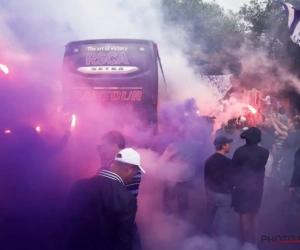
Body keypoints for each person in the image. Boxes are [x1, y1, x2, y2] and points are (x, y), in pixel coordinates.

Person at [66, 148, 145, 250]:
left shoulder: (79, 185)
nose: (132, 178)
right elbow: (124, 242)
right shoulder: (127, 200)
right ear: (129, 168)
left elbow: (69, 224)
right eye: (135, 173)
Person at [96, 130, 143, 249]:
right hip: (127, 222)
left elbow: (103, 197)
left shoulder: (110, 169)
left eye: (101, 147)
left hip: (115, 226)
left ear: (114, 147)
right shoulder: (131, 165)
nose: (99, 151)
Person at [231, 127, 269, 247]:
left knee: (244, 214)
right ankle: (256, 243)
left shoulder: (239, 151)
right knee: (255, 212)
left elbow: (233, 169)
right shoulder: (265, 152)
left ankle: (245, 244)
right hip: (258, 186)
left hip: (243, 187)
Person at [202, 136, 233, 236]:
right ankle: (220, 243)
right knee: (222, 222)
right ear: (223, 146)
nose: (230, 145)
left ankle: (204, 237)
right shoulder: (228, 162)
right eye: (228, 143)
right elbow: (232, 179)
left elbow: (206, 179)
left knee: (209, 217)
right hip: (224, 195)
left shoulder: (209, 160)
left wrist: (207, 192)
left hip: (211, 193)